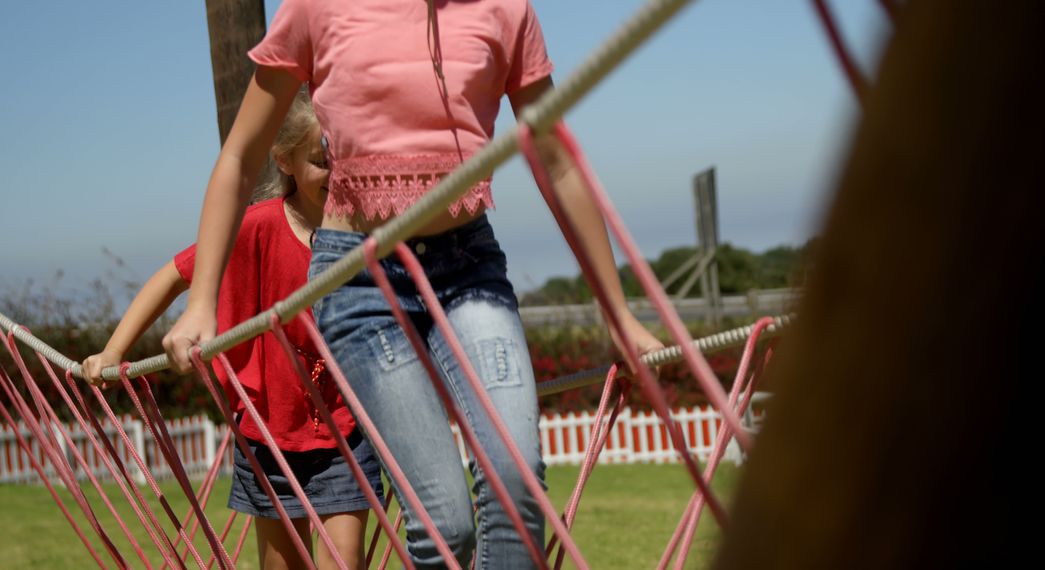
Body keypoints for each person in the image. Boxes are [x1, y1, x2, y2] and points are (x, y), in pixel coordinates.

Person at [163, 1, 662, 567]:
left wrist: (618, 314)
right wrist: (201, 302)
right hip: (359, 281)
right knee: (445, 525)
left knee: (516, 487)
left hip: (467, 267)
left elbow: (558, 161)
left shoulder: (504, 10)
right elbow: (241, 155)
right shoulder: (318, 10)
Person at [84, 91, 382, 570]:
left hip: (345, 433)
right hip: (266, 432)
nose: (337, 174)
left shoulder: (368, 232)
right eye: (322, 162)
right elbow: (172, 275)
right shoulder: (254, 228)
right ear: (285, 161)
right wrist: (112, 351)